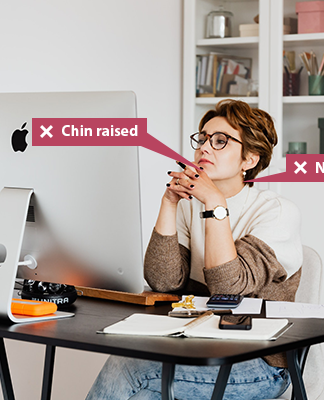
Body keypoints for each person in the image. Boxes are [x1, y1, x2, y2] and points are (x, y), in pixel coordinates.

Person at [86, 99, 303, 400]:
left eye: (220, 141)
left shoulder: (277, 212)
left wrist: (215, 205)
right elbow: (164, 281)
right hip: (198, 345)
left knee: (131, 368)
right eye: (202, 138)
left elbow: (228, 289)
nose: (204, 147)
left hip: (260, 363)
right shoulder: (190, 206)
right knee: (143, 393)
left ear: (249, 159)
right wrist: (169, 202)